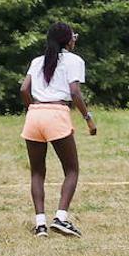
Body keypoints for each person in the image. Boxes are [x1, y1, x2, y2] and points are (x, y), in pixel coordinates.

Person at [19, 22, 97, 237]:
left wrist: (32, 109)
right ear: (68, 40)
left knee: (37, 171)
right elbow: (75, 92)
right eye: (74, 36)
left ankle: (40, 224)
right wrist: (88, 118)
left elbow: (24, 89)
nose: (75, 39)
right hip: (57, 113)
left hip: (34, 114)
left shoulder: (37, 61)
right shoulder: (74, 61)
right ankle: (61, 218)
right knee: (71, 170)